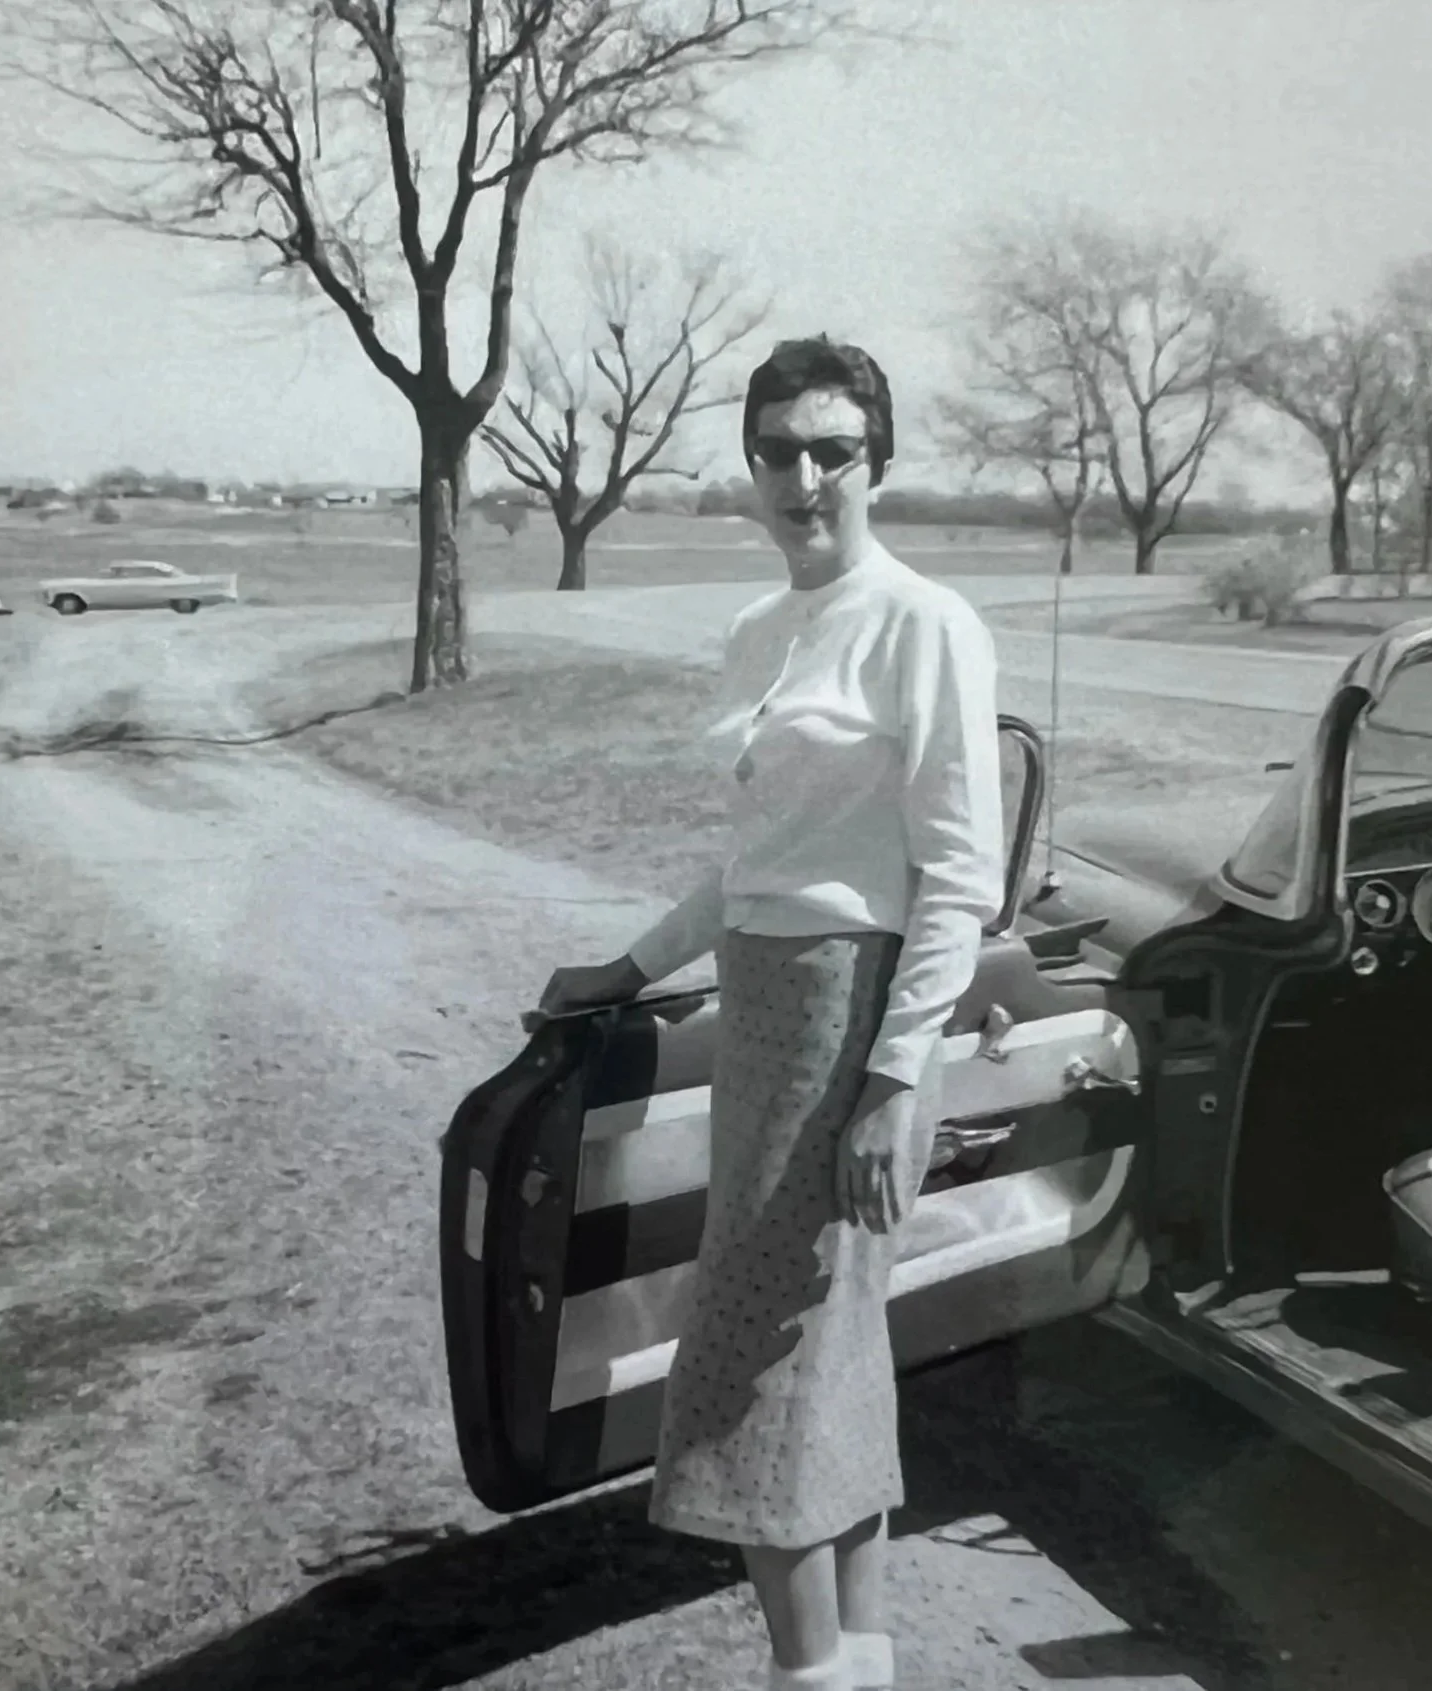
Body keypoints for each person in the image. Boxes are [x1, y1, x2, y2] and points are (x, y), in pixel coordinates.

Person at [527, 336, 1004, 1691]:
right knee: (820, 1348)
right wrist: (630, 965)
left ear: (879, 463)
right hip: (763, 1009)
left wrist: (898, 1078)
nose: (805, 477)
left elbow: (957, 877)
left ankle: (815, 1672)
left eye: (834, 450)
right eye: (779, 451)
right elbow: (756, 866)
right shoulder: (758, 629)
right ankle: (858, 1665)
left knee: (754, 1361)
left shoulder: (926, 621)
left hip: (850, 1022)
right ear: (751, 467)